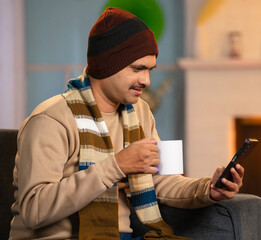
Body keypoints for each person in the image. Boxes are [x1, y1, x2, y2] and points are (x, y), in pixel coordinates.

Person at [9, 7, 244, 240]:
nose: (147, 80)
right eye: (137, 69)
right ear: (107, 65)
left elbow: (162, 180)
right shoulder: (51, 119)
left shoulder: (141, 113)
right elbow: (33, 210)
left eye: (150, 70)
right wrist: (117, 165)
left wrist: (208, 190)